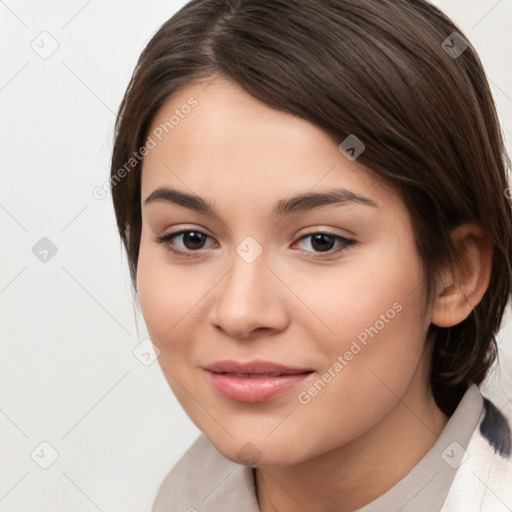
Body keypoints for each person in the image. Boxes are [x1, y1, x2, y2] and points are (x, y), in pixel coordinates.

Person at [109, 0, 512, 510]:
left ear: (456, 273)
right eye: (191, 239)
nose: (240, 312)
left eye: (321, 241)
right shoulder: (182, 496)